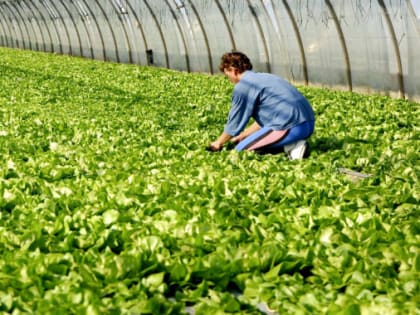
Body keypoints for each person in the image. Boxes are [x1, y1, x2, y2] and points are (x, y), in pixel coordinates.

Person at [207, 51, 315, 160]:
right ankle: (292, 143)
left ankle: (291, 146)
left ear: (234, 71)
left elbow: (235, 122)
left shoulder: (243, 86)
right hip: (308, 124)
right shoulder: (265, 77)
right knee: (245, 141)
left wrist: (218, 143)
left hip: (290, 127)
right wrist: (243, 135)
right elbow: (266, 120)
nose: (229, 80)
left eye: (227, 75)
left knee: (241, 150)